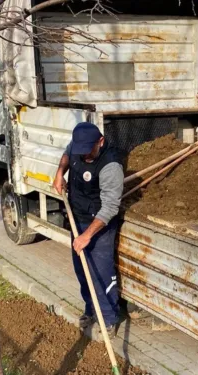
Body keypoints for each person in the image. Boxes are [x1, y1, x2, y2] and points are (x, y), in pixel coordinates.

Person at [52, 122, 123, 337]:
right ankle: (91, 310)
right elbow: (66, 154)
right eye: (79, 151)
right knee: (82, 271)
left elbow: (110, 206)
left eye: (88, 151)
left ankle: (109, 319)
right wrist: (59, 172)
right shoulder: (77, 146)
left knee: (101, 273)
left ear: (100, 142)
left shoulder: (111, 166)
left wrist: (86, 236)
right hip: (77, 217)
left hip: (99, 225)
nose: (83, 156)